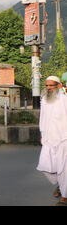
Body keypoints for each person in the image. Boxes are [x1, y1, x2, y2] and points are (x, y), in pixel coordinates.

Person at [36, 76, 67, 206]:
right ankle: (61, 185)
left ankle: (65, 197)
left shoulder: (65, 99)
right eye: (47, 86)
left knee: (63, 169)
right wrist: (42, 133)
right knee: (45, 166)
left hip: (63, 139)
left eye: (51, 86)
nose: (48, 88)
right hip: (48, 139)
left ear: (59, 86)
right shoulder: (44, 100)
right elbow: (42, 117)